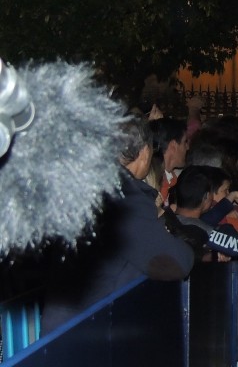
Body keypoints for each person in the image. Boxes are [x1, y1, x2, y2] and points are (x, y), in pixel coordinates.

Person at [42, 116, 194, 332]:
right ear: (143, 152)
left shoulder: (81, 187)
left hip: (66, 326)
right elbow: (174, 261)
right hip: (91, 332)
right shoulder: (124, 195)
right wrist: (183, 245)